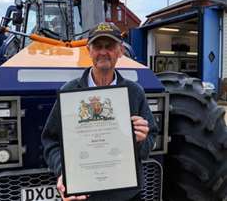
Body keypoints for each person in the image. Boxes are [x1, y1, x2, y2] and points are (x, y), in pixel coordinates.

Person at [41, 22, 157, 201]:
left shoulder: (135, 92)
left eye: (109, 46)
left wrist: (141, 140)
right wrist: (64, 172)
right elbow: (50, 141)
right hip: (84, 195)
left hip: (126, 195)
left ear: (120, 51)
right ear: (89, 50)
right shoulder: (70, 92)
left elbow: (150, 140)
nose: (103, 52)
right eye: (98, 46)